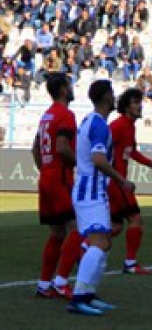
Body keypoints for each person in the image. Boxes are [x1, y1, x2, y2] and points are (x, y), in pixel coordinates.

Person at [68, 80, 136, 315]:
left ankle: (88, 294)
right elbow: (98, 160)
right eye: (112, 94)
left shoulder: (90, 121)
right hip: (90, 191)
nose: (115, 97)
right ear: (106, 97)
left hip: (93, 191)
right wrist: (121, 180)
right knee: (98, 242)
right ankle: (78, 297)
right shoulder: (98, 125)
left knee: (104, 243)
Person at [32, 74, 82, 300]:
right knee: (78, 227)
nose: (71, 89)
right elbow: (62, 147)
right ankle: (61, 281)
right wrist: (82, 164)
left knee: (57, 231)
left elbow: (35, 148)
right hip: (60, 178)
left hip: (46, 177)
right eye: (69, 85)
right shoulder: (65, 114)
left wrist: (45, 169)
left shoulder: (46, 115)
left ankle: (44, 285)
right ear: (63, 89)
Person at [107, 89, 152, 275]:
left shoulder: (130, 126)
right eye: (135, 102)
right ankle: (130, 263)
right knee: (135, 220)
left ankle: (84, 245)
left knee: (116, 227)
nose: (140, 106)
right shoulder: (117, 126)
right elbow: (101, 149)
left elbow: (132, 152)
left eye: (140, 102)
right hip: (117, 183)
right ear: (126, 106)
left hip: (117, 182)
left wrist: (151, 164)